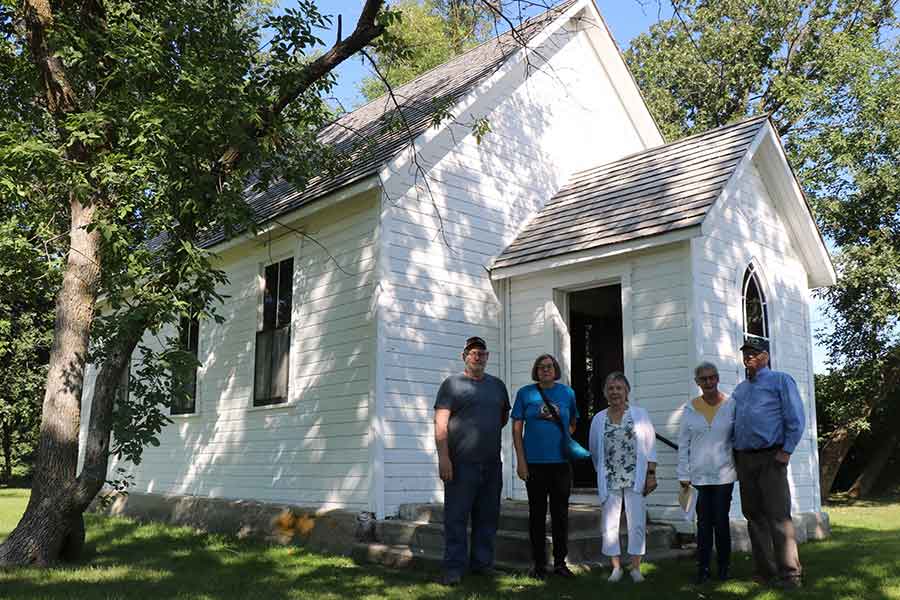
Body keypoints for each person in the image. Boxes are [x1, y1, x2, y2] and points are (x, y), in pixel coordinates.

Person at [434, 336, 511, 586]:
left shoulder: (497, 386)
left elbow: (502, 418)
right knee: (456, 518)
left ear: (487, 357)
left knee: (487, 517)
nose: (478, 357)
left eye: (482, 353)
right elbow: (440, 423)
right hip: (460, 464)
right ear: (464, 356)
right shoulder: (451, 385)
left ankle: (482, 565)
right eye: (473, 352)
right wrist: (444, 457)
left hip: (491, 464)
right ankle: (453, 569)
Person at [732, 337, 805, 589]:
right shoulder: (740, 390)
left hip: (771, 456)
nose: (748, 357)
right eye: (746, 353)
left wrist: (786, 450)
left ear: (766, 356)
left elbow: (795, 418)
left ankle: (791, 575)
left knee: (778, 516)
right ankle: (765, 572)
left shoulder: (781, 380)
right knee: (754, 516)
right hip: (744, 458)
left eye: (753, 353)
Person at [512, 354, 579, 580]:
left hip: (561, 464)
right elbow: (516, 430)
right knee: (537, 515)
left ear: (555, 369)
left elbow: (573, 423)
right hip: (534, 464)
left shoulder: (567, 393)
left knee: (561, 516)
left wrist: (564, 437)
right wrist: (521, 461)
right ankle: (539, 565)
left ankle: (560, 563)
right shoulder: (525, 393)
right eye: (541, 367)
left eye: (549, 366)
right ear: (536, 371)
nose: (545, 370)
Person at [588, 372, 657, 583]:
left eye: (619, 388)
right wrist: (602, 472)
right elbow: (594, 450)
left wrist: (651, 474)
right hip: (610, 477)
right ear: (605, 393)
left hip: (636, 477)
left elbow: (650, 446)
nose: (615, 392)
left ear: (627, 391)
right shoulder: (598, 419)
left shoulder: (640, 414)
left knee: (637, 523)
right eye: (611, 388)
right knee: (609, 524)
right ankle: (616, 567)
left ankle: (635, 567)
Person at [677, 361, 737, 584]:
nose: (709, 382)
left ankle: (724, 568)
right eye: (704, 379)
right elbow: (683, 444)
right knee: (703, 525)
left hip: (724, 474)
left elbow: (737, 437)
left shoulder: (731, 404)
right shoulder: (690, 409)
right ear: (697, 382)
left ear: (717, 378)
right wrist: (683, 475)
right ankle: (703, 569)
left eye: (712, 377)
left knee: (721, 522)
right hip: (699, 477)